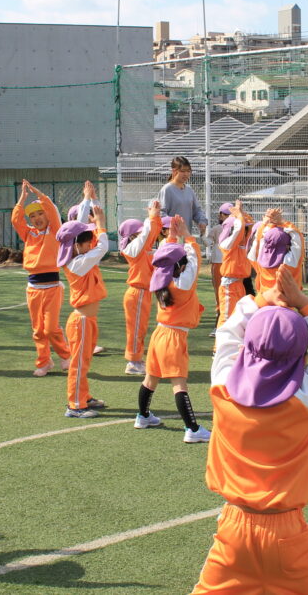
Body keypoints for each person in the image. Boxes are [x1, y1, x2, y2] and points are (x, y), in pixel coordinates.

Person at [192, 271, 308, 594]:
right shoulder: (306, 398)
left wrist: (264, 298)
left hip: (233, 531)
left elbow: (228, 333)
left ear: (247, 346)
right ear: (302, 354)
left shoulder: (223, 388)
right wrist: (304, 304)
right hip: (288, 534)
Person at [135, 216, 210, 443]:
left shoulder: (160, 277)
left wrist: (172, 237)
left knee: (150, 379)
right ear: (181, 265)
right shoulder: (183, 283)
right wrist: (187, 236)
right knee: (179, 384)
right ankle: (192, 429)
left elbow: (166, 255)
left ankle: (143, 416)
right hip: (175, 337)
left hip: (159, 334)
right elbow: (195, 259)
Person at [56, 186, 108, 418]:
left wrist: (89, 200)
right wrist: (101, 224)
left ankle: (84, 396)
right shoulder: (78, 263)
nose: (91, 243)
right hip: (81, 322)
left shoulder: (80, 256)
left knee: (84, 362)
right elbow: (103, 246)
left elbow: (78, 225)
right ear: (76, 245)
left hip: (88, 320)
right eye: (87, 242)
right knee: (78, 364)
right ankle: (75, 405)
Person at [13, 180, 71, 377]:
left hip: (53, 287)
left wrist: (39, 194)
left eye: (40, 213)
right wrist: (22, 199)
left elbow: (53, 211)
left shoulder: (54, 231)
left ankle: (65, 356)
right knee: (38, 330)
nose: (37, 218)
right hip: (33, 289)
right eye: (32, 215)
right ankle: (44, 361)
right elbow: (16, 220)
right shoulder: (29, 234)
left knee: (51, 328)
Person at [119, 200, 161, 376]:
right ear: (131, 236)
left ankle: (137, 359)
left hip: (143, 293)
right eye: (138, 233)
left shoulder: (142, 247)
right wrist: (150, 218)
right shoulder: (132, 248)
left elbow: (151, 233)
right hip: (137, 293)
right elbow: (146, 235)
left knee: (140, 328)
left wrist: (155, 216)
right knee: (136, 329)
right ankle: (133, 362)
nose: (144, 235)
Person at [216, 200, 254, 328]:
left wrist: (241, 213)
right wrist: (238, 216)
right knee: (226, 318)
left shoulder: (241, 245)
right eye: (244, 229)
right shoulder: (227, 244)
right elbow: (238, 230)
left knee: (238, 318)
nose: (245, 232)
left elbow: (249, 228)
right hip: (229, 286)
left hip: (239, 284)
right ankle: (220, 342)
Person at [247, 208, 303, 293]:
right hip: (283, 299)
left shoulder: (259, 259)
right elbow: (297, 241)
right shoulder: (289, 263)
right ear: (287, 245)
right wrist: (282, 222)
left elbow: (258, 241)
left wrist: (265, 224)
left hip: (264, 298)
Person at [157, 156, 207, 236]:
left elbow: (197, 211)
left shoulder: (189, 190)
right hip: (171, 238)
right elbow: (161, 214)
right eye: (183, 171)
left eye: (188, 171)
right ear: (174, 171)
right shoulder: (167, 190)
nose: (186, 174)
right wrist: (174, 226)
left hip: (187, 236)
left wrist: (202, 221)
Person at [205, 202, 231, 334]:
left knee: (226, 294)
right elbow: (208, 242)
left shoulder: (237, 228)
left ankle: (223, 323)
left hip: (228, 264)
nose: (227, 217)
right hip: (221, 263)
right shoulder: (217, 228)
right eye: (226, 214)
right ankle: (220, 322)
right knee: (221, 294)